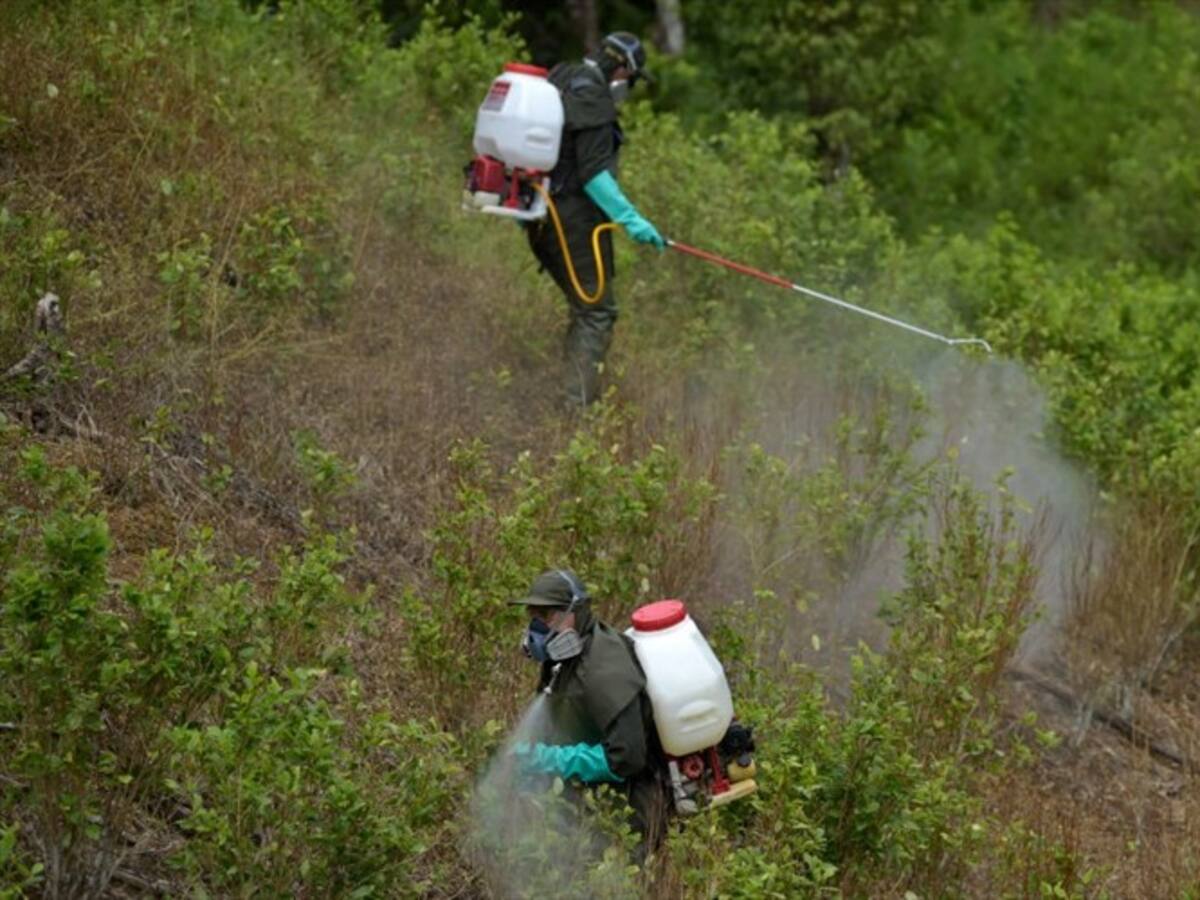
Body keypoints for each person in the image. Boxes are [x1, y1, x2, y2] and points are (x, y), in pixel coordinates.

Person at [526, 32, 665, 409]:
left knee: (585, 308)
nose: (627, 87)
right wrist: (633, 220)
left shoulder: (563, 75)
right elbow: (593, 175)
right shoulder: (594, 98)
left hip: (540, 212)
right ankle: (577, 413)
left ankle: (572, 400)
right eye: (630, 80)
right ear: (622, 69)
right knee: (597, 310)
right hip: (569, 218)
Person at [510, 568, 670, 850]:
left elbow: (626, 757)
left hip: (637, 803)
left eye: (545, 617)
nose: (536, 628)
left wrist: (551, 760)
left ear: (576, 612)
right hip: (595, 795)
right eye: (533, 617)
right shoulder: (565, 658)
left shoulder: (602, 671)